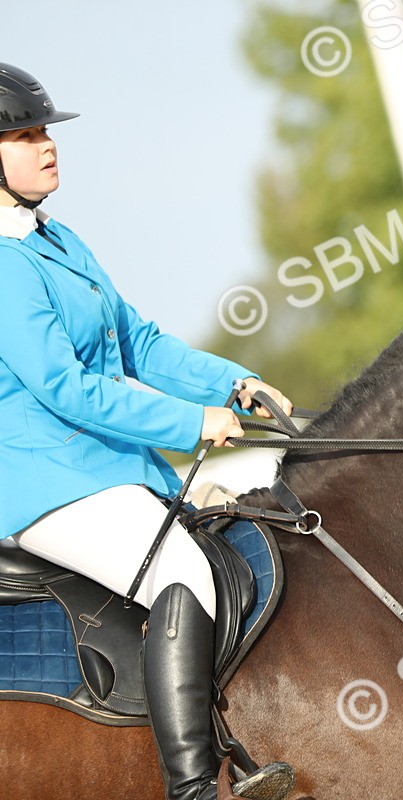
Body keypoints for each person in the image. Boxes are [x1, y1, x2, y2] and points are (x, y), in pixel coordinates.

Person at [0, 64, 294, 800]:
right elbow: (66, 389)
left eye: (44, 131)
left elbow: (140, 343)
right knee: (183, 570)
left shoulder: (57, 240)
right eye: (25, 135)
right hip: (45, 480)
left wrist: (232, 384)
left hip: (103, 468)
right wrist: (193, 423)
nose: (47, 145)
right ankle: (192, 788)